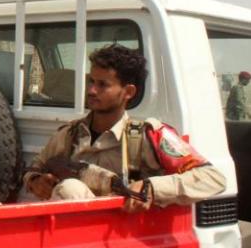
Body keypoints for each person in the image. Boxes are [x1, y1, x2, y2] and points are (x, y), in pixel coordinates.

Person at [23, 44, 226, 212]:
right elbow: (34, 168)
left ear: (128, 92)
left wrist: (152, 187)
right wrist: (36, 181)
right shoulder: (69, 134)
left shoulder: (150, 135)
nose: (92, 90)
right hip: (74, 236)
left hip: (126, 234)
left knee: (69, 188)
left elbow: (212, 178)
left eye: (103, 85)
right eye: (91, 81)